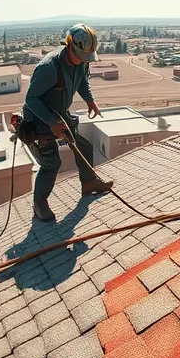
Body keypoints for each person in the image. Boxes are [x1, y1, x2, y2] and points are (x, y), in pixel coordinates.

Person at [23, 23, 113, 222]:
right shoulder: (49, 68)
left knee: (83, 146)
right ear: (69, 46)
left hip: (59, 114)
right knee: (51, 164)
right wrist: (50, 122)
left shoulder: (80, 60)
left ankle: (88, 183)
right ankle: (40, 204)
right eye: (81, 56)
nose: (83, 61)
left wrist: (89, 100)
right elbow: (31, 99)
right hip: (38, 118)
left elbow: (81, 81)